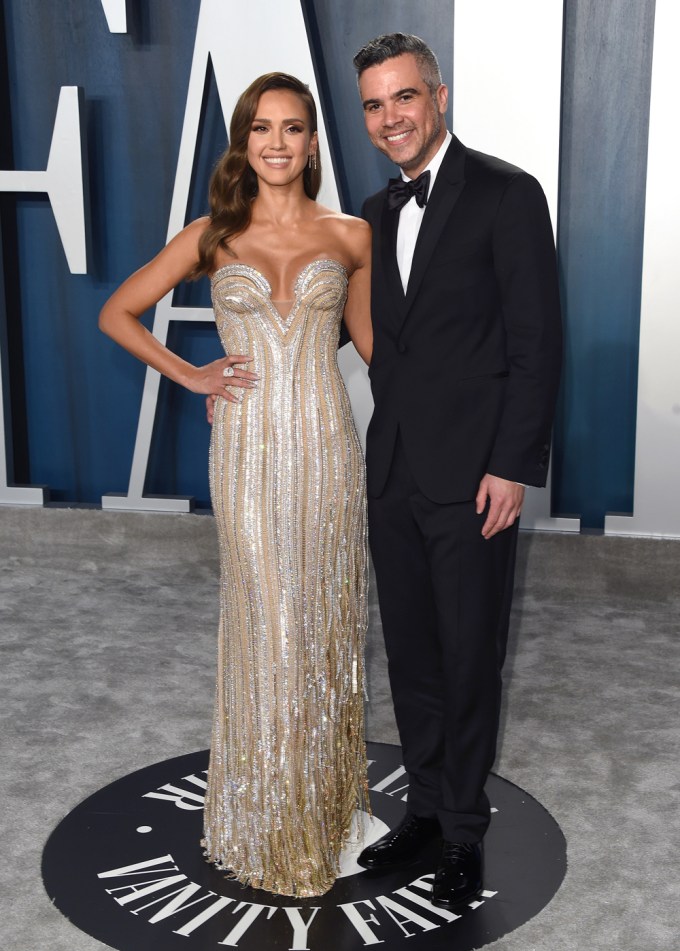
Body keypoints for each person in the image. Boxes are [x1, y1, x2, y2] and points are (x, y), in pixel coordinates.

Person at [99, 71, 373, 898]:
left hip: (329, 451)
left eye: (293, 128)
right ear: (243, 142)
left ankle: (317, 812)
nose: (278, 143)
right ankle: (262, 816)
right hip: (248, 453)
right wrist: (191, 374)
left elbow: (379, 349)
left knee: (320, 619)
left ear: (314, 142)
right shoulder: (213, 234)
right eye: (262, 128)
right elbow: (119, 310)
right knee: (270, 622)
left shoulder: (353, 235)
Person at [351, 34, 563, 908]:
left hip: (475, 475)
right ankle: (428, 812)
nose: (391, 117)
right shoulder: (369, 211)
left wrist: (511, 465)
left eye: (404, 97)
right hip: (393, 473)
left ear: (439, 96)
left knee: (470, 658)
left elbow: (535, 343)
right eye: (373, 104)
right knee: (413, 657)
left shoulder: (509, 195)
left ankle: (467, 830)